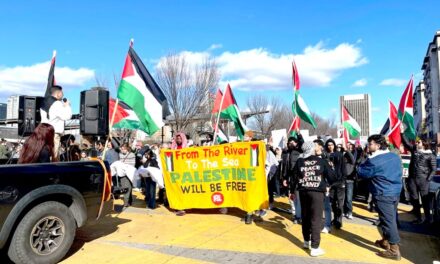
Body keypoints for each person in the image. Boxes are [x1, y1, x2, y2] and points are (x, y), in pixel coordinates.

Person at [358, 134, 402, 260]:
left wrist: (364, 159)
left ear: (377, 145)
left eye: (370, 144)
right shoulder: (394, 156)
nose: (368, 146)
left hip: (383, 193)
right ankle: (385, 241)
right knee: (388, 219)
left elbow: (362, 172)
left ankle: (394, 250)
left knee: (388, 221)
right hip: (395, 191)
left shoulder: (374, 161)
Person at [291, 141, 336, 257]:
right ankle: (315, 247)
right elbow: (332, 177)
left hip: (303, 191)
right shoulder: (321, 161)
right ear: (311, 149)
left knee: (305, 217)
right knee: (316, 219)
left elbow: (294, 177)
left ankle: (306, 241)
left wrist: (292, 191)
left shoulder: (300, 162)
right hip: (316, 192)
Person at [401, 134, 436, 224]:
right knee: (414, 199)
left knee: (425, 201)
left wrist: (428, 179)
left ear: (424, 143)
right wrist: (402, 133)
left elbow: (433, 169)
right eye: (416, 142)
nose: (416, 143)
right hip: (412, 179)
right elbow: (406, 143)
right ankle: (419, 218)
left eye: (418, 142)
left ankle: (428, 219)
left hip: (423, 180)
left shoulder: (430, 155)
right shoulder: (414, 150)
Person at [40, 85, 72, 157]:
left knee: (46, 155)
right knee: (54, 156)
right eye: (62, 93)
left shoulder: (43, 103)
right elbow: (67, 116)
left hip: (44, 133)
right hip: (54, 134)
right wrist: (67, 106)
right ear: (58, 93)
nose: (63, 95)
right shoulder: (57, 103)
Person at [281, 134, 304, 224]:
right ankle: (294, 214)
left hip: (298, 177)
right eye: (289, 143)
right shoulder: (286, 153)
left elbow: (302, 144)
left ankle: (299, 216)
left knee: (298, 197)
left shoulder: (299, 151)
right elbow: (285, 167)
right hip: (290, 178)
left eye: (293, 142)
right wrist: (284, 178)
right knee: (291, 197)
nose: (291, 144)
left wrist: (299, 136)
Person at [324, 138, 346, 229]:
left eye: (332, 144)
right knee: (332, 202)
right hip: (330, 183)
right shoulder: (325, 156)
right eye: (328, 145)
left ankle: (339, 220)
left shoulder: (339, 155)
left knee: (340, 203)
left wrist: (343, 180)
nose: (330, 146)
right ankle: (335, 218)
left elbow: (343, 168)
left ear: (334, 145)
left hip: (340, 182)